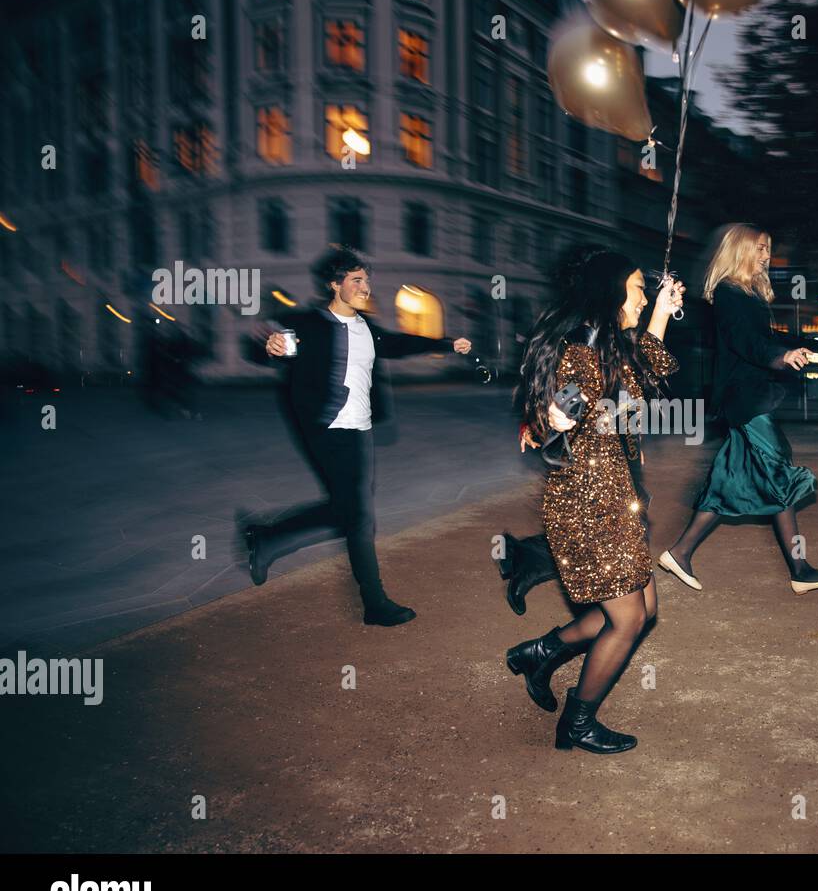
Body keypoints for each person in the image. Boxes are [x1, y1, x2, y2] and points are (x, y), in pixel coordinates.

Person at [505, 247, 683, 754]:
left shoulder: (614, 343)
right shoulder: (580, 347)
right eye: (637, 287)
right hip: (587, 503)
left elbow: (658, 364)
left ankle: (538, 652)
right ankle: (576, 725)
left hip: (615, 497)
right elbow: (546, 419)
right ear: (610, 292)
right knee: (627, 619)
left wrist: (661, 313)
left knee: (641, 608)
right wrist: (547, 424)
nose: (644, 294)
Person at [240, 245, 471, 626]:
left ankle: (266, 537)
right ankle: (374, 602)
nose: (366, 286)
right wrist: (269, 344)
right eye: (357, 280)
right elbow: (261, 342)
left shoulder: (367, 329)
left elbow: (400, 343)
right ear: (335, 285)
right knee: (360, 517)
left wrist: (446, 344)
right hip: (325, 428)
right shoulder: (307, 323)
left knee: (346, 510)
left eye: (366, 279)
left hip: (360, 430)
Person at [657, 223, 818, 595]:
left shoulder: (747, 294)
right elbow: (747, 344)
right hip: (745, 401)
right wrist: (781, 356)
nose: (766, 255)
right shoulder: (729, 293)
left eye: (768, 249)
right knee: (779, 474)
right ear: (741, 250)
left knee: (729, 482)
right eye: (760, 248)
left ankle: (679, 553)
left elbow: (769, 338)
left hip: (749, 398)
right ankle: (800, 570)